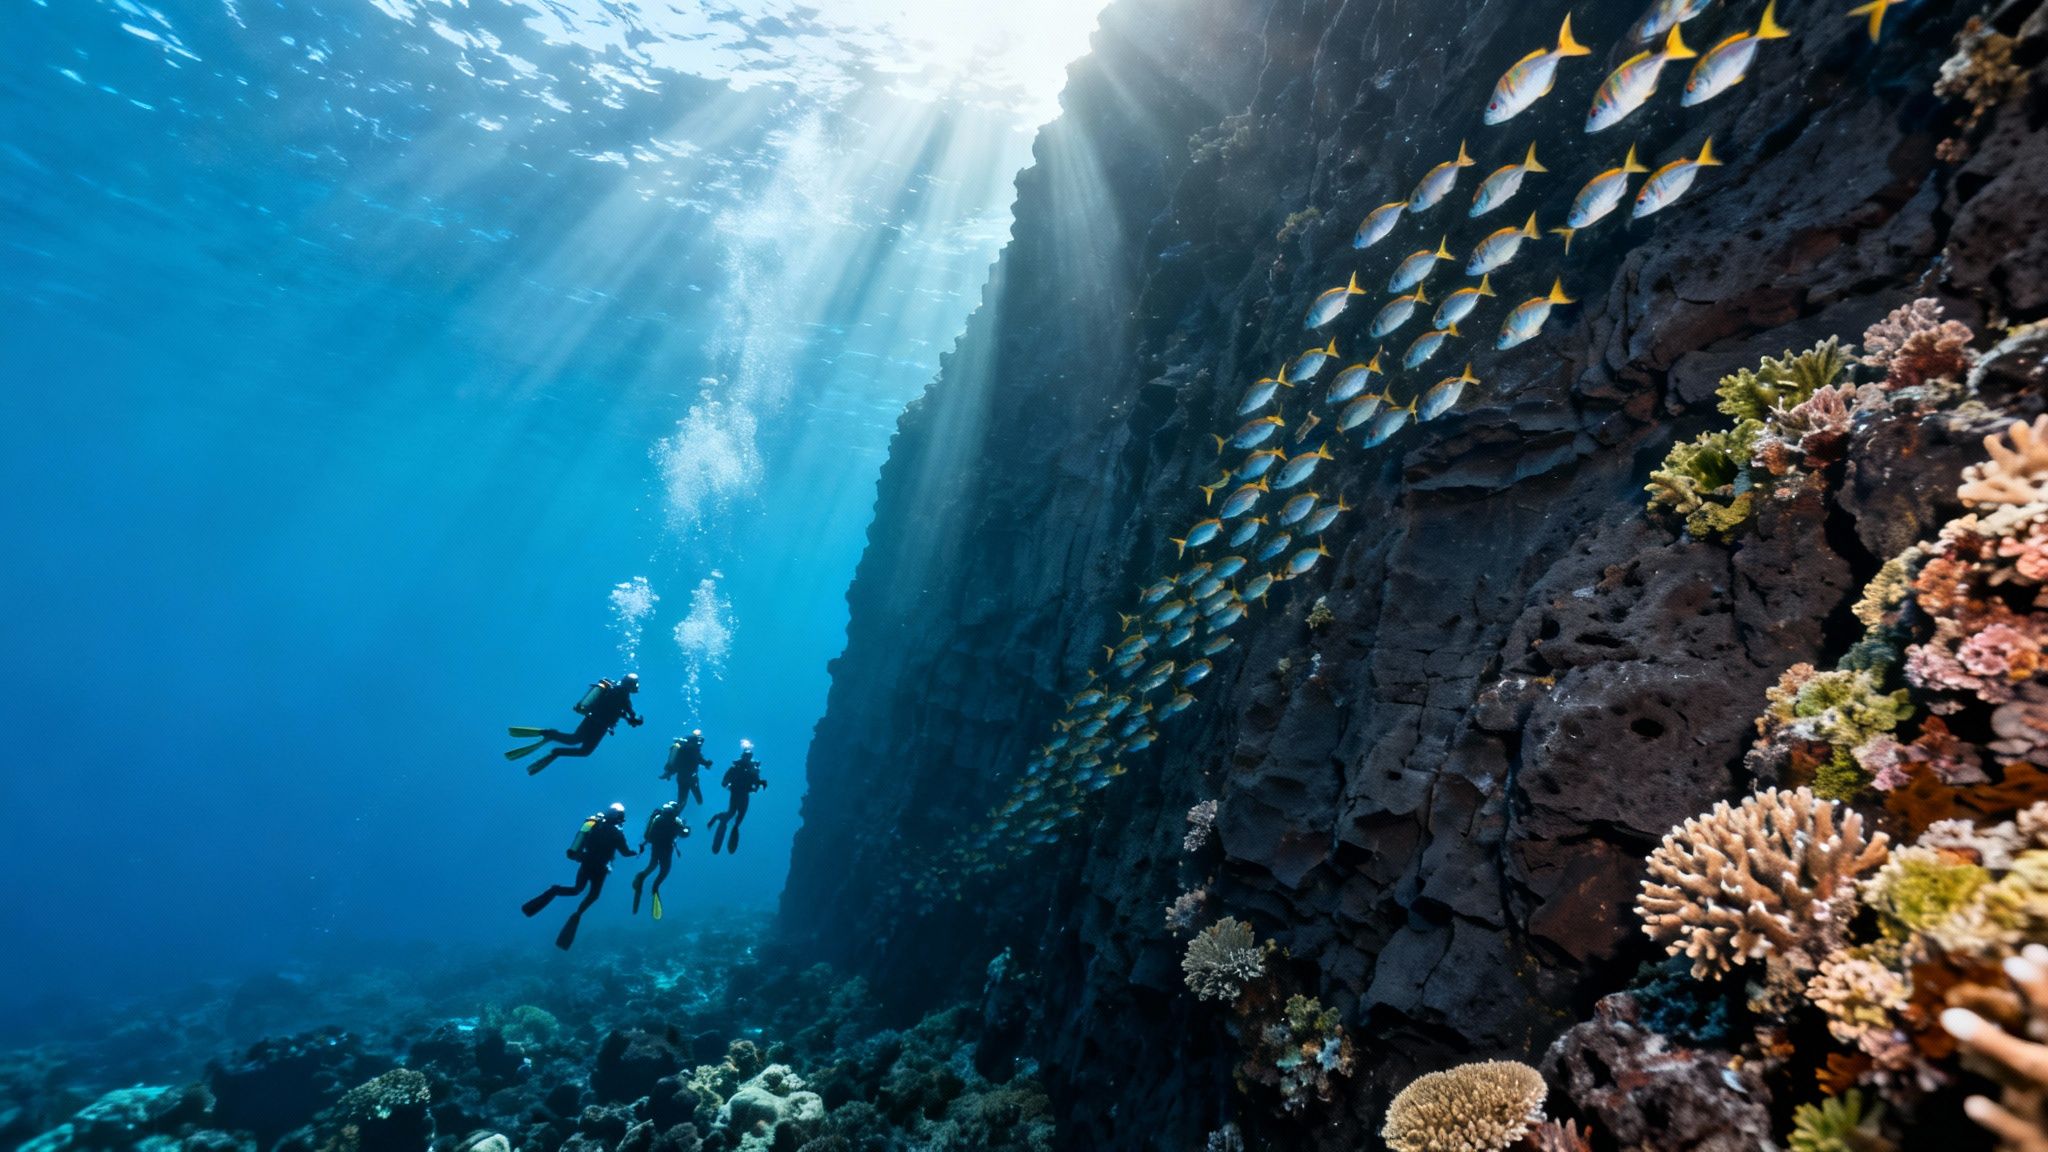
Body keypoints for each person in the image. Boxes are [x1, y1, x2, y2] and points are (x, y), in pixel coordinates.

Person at [522, 803, 635, 950]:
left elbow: (578, 845)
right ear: (619, 818)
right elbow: (625, 853)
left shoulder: (593, 825)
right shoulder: (617, 834)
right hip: (600, 869)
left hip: (586, 863)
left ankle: (554, 891)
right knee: (593, 896)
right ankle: (577, 914)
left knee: (577, 890)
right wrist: (638, 850)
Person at [506, 673, 644, 775]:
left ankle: (550, 736)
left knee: (575, 740)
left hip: (593, 721)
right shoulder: (623, 696)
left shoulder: (613, 691)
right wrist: (635, 719)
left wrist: (628, 717)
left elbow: (615, 710)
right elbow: (629, 712)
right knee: (583, 750)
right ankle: (553, 745)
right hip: (599, 726)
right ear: (631, 685)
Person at [630, 800, 689, 919]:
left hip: (656, 848)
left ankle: (641, 876)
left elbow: (647, 836)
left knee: (652, 866)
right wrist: (687, 828)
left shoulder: (657, 818)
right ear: (675, 810)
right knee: (664, 872)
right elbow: (684, 834)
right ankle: (655, 887)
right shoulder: (676, 821)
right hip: (666, 850)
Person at [705, 742, 766, 855]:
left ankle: (721, 820)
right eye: (746, 757)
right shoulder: (741, 769)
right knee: (735, 814)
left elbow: (756, 783)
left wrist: (760, 784)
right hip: (739, 793)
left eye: (748, 757)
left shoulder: (748, 769)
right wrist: (759, 784)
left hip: (739, 793)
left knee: (736, 815)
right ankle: (719, 818)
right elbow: (725, 782)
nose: (747, 759)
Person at [661, 730, 712, 809]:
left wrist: (669, 772)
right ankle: (701, 807)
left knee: (682, 799)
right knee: (696, 797)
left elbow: (677, 761)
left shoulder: (683, 748)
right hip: (691, 777)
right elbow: (699, 759)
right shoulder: (693, 749)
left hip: (681, 777)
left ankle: (674, 814)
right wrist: (708, 763)